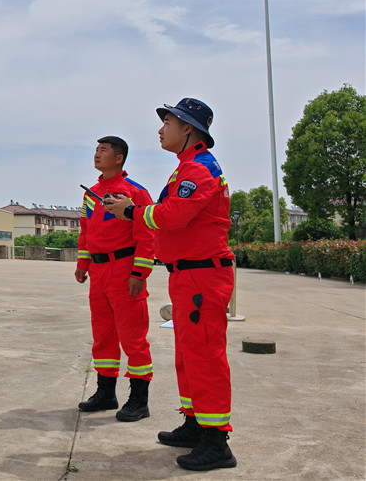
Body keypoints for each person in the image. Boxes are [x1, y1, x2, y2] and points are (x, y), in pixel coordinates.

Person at [104, 98, 237, 472]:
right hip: (188, 274)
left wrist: (129, 211)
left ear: (188, 129)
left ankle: (217, 442)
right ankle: (196, 425)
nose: (161, 129)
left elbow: (173, 216)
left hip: (201, 275)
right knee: (189, 355)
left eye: (169, 122)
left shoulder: (198, 170)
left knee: (205, 356)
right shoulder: (187, 169)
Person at [75, 136, 156, 422]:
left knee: (133, 337)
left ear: (119, 157)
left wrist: (139, 273)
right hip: (98, 273)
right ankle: (106, 393)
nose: (97, 154)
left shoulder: (134, 194)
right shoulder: (91, 194)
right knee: (104, 335)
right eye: (96, 150)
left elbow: (147, 236)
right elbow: (85, 232)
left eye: (103, 150)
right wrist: (83, 263)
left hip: (124, 271)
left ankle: (139, 401)